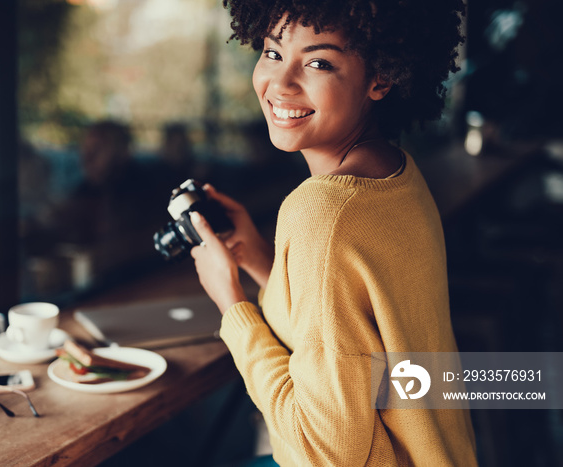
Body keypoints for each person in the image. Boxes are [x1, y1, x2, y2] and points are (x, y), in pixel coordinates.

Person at [188, 1, 477, 465]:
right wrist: (263, 260)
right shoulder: (395, 172)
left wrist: (231, 304)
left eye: (319, 62)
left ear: (380, 77)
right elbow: (352, 340)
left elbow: (323, 450)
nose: (280, 85)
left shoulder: (323, 212)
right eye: (273, 52)